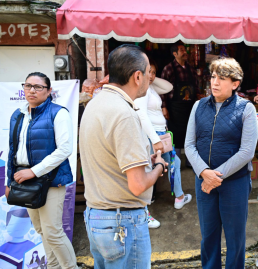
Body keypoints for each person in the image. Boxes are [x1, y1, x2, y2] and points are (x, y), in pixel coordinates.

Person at [79, 44, 167, 269]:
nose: (149, 79)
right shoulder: (124, 113)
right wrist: (158, 166)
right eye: (148, 74)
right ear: (137, 76)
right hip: (122, 222)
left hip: (97, 217)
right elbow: (137, 185)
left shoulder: (96, 103)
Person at [185, 58, 258, 269]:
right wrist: (203, 172)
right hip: (204, 183)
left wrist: (215, 176)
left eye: (222, 78)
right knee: (209, 235)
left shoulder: (246, 108)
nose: (214, 82)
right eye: (213, 76)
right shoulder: (198, 106)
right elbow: (189, 145)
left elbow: (246, 152)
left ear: (235, 83)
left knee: (235, 238)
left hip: (235, 183)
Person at [5, 72, 77, 268]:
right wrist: (9, 181)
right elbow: (13, 150)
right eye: (28, 86)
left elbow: (65, 149)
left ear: (49, 91)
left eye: (38, 87)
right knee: (41, 230)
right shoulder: (18, 115)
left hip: (51, 180)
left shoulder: (58, 112)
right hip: (25, 181)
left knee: (53, 232)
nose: (32, 90)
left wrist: (34, 171)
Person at [134, 59, 193, 229]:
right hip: (152, 136)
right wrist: (155, 139)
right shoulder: (142, 90)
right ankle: (143, 211)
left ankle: (179, 197)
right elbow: (142, 116)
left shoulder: (150, 87)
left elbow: (168, 87)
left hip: (161, 134)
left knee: (174, 162)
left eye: (153, 72)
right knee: (147, 169)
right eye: (148, 72)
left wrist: (150, 77)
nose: (151, 75)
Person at [161, 43, 199, 166]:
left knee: (190, 134)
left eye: (185, 50)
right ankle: (175, 163)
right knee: (175, 136)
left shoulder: (191, 69)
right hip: (174, 109)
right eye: (181, 50)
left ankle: (190, 162)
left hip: (189, 107)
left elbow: (196, 88)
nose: (185, 52)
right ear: (174, 53)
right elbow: (162, 90)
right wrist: (164, 107)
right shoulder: (169, 68)